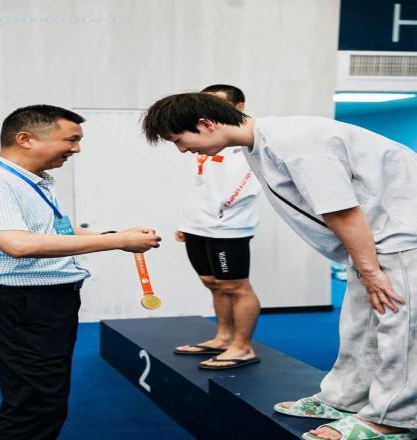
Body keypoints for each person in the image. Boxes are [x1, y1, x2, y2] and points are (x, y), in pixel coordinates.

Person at [142, 93, 417, 440]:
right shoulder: (260, 145)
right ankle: (345, 398)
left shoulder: (298, 142)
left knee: (402, 329)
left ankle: (392, 418)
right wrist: (365, 265)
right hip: (376, 239)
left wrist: (373, 272)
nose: (182, 150)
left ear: (206, 124)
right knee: (359, 326)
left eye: (179, 140)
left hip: (403, 237)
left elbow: (342, 210)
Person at [0, 104, 161, 440]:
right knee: (35, 404)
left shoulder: (34, 181)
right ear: (25, 139)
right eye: (71, 140)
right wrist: (118, 241)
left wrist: (115, 237)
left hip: (46, 301)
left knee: (44, 398)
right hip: (21, 302)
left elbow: (56, 231)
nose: (76, 149)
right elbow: (18, 244)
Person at [173, 84, 262, 370]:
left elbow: (247, 185)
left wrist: (220, 214)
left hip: (227, 227)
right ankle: (223, 338)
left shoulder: (248, 141)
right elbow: (201, 186)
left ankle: (243, 347)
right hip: (198, 225)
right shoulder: (204, 138)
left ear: (239, 107)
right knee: (211, 282)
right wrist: (189, 221)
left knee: (235, 286)